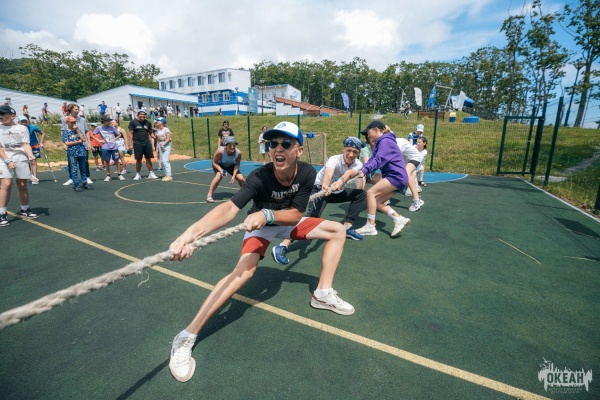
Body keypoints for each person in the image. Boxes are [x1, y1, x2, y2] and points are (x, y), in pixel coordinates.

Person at [167, 121, 355, 383]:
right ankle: (186, 336)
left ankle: (322, 294)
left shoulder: (307, 172)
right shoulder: (259, 176)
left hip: (285, 221)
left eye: (286, 143)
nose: (278, 148)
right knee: (243, 274)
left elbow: (296, 214)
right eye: (272, 143)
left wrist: (269, 214)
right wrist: (190, 235)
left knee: (337, 230)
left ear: (299, 150)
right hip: (261, 227)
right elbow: (229, 209)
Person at [272, 136, 367, 264]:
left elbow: (348, 174)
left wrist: (340, 182)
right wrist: (325, 187)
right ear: (343, 149)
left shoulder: (358, 164)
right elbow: (328, 174)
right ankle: (282, 245)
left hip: (336, 191)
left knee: (360, 194)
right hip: (319, 189)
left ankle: (347, 227)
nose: (351, 154)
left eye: (355, 152)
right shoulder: (334, 159)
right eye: (348, 150)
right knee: (311, 219)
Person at [330, 120, 410, 237]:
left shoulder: (385, 141)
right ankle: (399, 219)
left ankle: (370, 226)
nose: (368, 136)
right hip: (397, 177)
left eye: (369, 133)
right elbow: (373, 159)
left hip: (396, 176)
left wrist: (364, 171)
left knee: (370, 193)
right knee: (376, 202)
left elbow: (378, 160)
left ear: (376, 130)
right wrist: (363, 169)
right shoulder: (382, 142)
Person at [0, 105, 38, 226]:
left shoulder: (22, 128)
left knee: (22, 185)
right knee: (6, 184)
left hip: (20, 158)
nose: (0, 116)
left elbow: (25, 144)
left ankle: (25, 209)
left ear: (12, 116)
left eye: (2, 113)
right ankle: (2, 213)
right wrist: (7, 160)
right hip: (4, 158)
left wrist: (31, 156)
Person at [206, 136, 244, 202]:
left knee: (241, 179)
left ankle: (245, 193)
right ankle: (209, 195)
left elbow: (237, 164)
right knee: (219, 176)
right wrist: (221, 170)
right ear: (226, 146)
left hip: (230, 165)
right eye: (230, 145)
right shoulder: (220, 151)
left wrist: (234, 176)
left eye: (234, 145)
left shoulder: (238, 153)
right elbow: (214, 162)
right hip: (219, 164)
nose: (232, 147)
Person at [61, 103, 91, 186]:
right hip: (72, 145)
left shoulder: (82, 119)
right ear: (71, 110)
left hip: (82, 144)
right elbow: (63, 131)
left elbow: (86, 131)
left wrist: (89, 143)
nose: (77, 111)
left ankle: (86, 177)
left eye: (78, 109)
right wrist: (64, 143)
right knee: (72, 164)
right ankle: (72, 179)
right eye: (76, 109)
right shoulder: (65, 119)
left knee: (84, 162)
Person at [128, 109, 157, 180]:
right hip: (137, 143)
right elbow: (131, 133)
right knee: (138, 159)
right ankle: (138, 174)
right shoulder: (133, 122)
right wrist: (130, 144)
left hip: (147, 143)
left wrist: (157, 137)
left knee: (148, 158)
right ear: (138, 115)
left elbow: (151, 133)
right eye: (141, 114)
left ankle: (151, 173)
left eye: (144, 114)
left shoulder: (148, 123)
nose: (142, 115)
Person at [94, 116, 124, 182]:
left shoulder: (112, 128)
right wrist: (98, 140)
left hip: (114, 147)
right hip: (105, 147)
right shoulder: (99, 128)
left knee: (116, 160)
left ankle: (119, 174)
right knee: (106, 161)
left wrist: (114, 139)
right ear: (103, 121)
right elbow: (92, 134)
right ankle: (108, 175)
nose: (109, 122)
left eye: (109, 121)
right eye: (107, 121)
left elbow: (119, 134)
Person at [19, 116, 45, 185]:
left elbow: (42, 133)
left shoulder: (33, 127)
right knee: (27, 162)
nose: (24, 123)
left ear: (27, 121)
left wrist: (41, 142)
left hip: (34, 145)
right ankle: (30, 175)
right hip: (24, 146)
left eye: (25, 121)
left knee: (33, 161)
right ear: (19, 122)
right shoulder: (17, 129)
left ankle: (34, 177)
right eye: (22, 122)